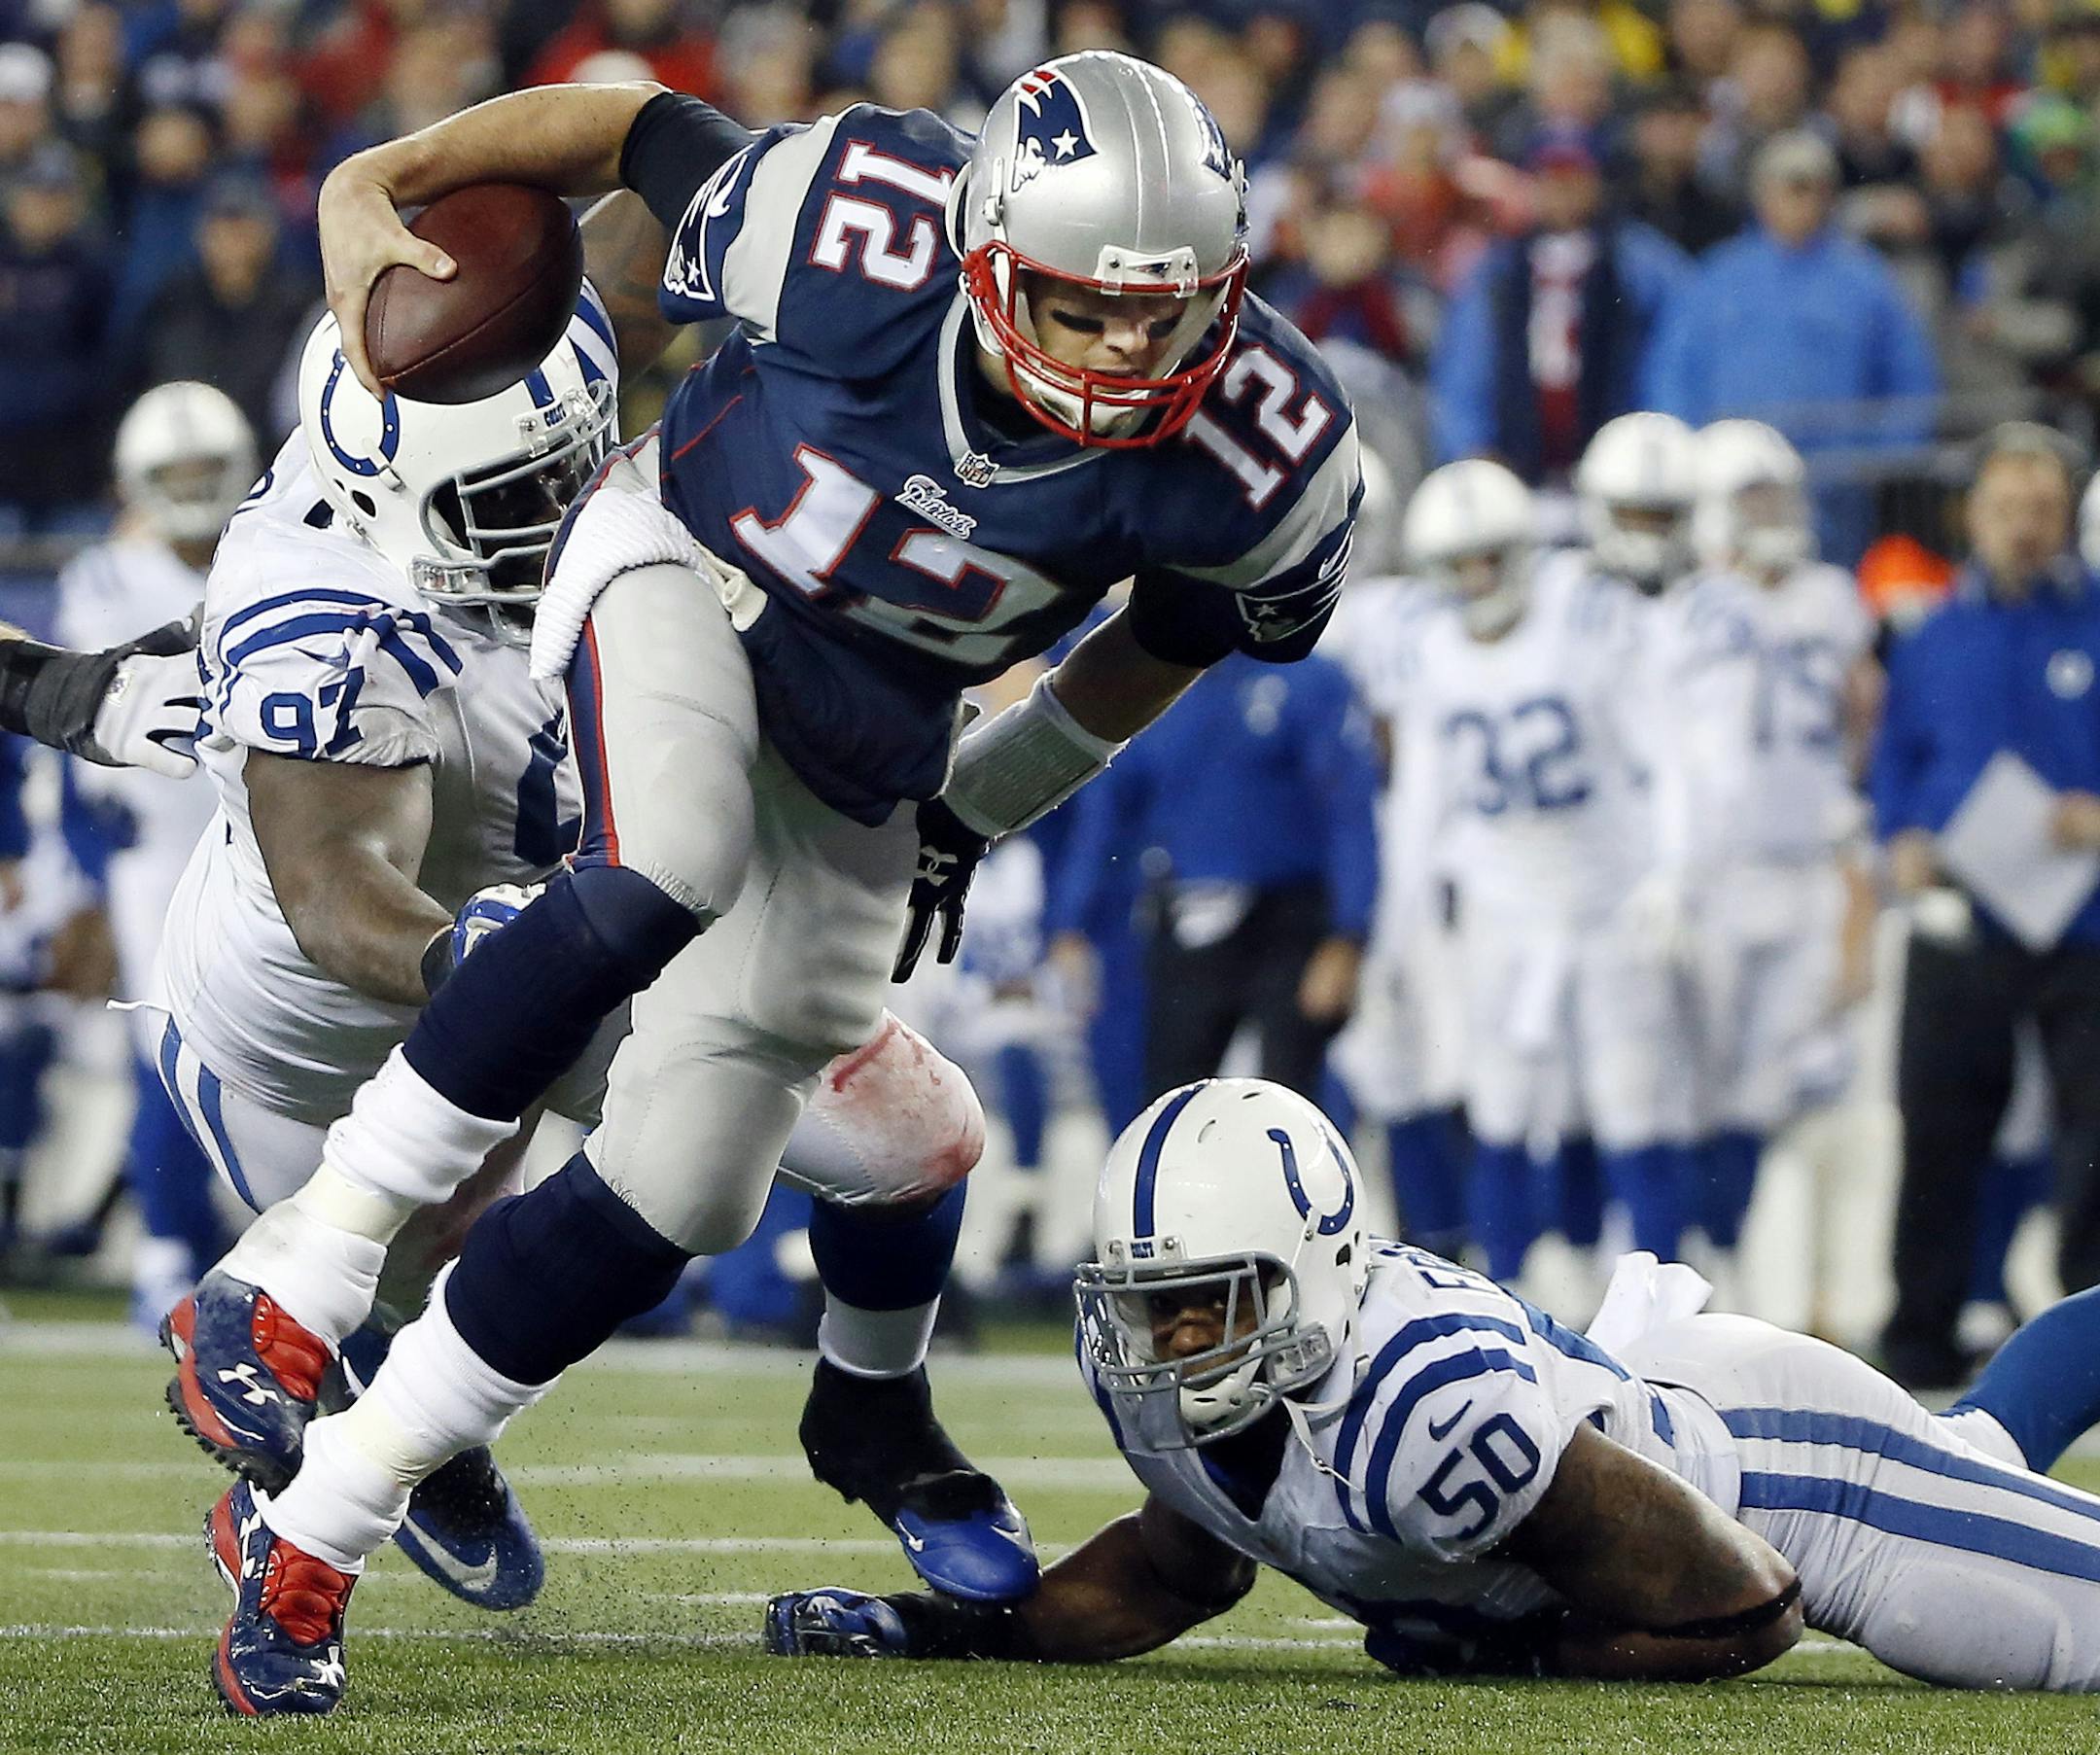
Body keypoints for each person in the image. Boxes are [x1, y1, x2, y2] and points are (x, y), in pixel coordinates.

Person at [171, 52, 1360, 1717]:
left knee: (695, 1175)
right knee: (669, 861)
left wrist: (982, 801)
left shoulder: (1266, 449)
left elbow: (1179, 628)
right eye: (1080, 308)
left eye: (1163, 317)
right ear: (986, 244)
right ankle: (299, 1272)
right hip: (683, 564)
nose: (1123, 353)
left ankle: (316, 1522)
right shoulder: (858, 219)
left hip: (861, 739)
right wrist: (378, 171)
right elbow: (625, 121)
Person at [158, 255, 1006, 1624]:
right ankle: (366, 1438)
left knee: (914, 1137)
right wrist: (474, 963)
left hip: (585, 923)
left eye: (576, 456)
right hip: (319, 1040)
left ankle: (875, 1410)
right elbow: (331, 883)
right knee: (403, 1281)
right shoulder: (318, 609)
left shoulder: (523, 397)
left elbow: (628, 212)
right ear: (397, 497)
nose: (565, 503)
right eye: (517, 492)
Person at [767, 1076, 2100, 1694]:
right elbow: (1184, 1567)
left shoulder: (1419, 1409)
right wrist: (951, 1630)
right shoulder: (1173, 1382)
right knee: (1980, 1437)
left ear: (1317, 1279)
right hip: (1651, 1426)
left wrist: (1512, 1650)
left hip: (1792, 1481)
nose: (1167, 1344)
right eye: (1149, 1305)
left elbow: (1747, 1606)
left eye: (1208, 1305)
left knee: (2020, 1633)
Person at [1393, 459, 1693, 1285]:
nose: (1476, 578)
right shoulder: (1431, 651)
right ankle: (1508, 1287)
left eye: (1490, 556)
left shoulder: (1586, 620)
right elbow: (1421, 807)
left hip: (1607, 897)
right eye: (1460, 563)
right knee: (1502, 1105)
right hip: (1504, 908)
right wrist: (1397, 932)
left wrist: (1669, 874)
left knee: (1630, 1101)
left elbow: (1663, 752)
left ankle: (1662, 1297)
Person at [1873, 423, 2100, 1389]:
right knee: (1939, 1121)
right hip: (1965, 913)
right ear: (1973, 514)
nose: (2024, 526)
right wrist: (1901, 841)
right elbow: (1894, 758)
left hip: (2086, 915)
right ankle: (1921, 1333)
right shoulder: (1936, 632)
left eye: (2042, 508)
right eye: (2007, 507)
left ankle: (2088, 1327)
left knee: (2094, 1131)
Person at [57, 381, 255, 1326]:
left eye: (203, 469)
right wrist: (81, 875)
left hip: (262, 835)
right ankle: (172, 1248)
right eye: (172, 472)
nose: (189, 486)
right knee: (161, 1045)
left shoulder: (269, 555)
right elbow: (69, 730)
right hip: (153, 842)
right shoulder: (104, 579)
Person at [1671, 419, 1879, 1275]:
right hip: (1711, 872)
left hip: (1804, 862)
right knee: (1691, 1087)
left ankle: (1743, 1261)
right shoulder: (1686, 604)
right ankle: (1685, 1257)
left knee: (1772, 1089)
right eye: (1752, 497)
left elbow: (1860, 715)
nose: (1773, 513)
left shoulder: (1831, 595)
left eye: (1778, 495)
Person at [1045, 644, 1380, 1101]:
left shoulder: (1309, 678)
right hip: (1187, 914)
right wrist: (1070, 922)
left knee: (1291, 1101)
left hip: (1290, 917)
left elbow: (1349, 812)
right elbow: (1105, 817)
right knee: (1171, 1101)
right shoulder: (1148, 683)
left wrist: (1348, 935)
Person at [1643, 129, 1940, 568]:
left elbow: (1910, 378)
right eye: (1788, 186)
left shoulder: (1865, 280)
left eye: (1812, 187)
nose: (1800, 200)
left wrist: (1882, 458)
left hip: (1836, 491)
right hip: (1731, 486)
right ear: (1761, 194)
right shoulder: (1715, 279)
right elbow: (1670, 373)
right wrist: (1691, 456)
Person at [1429, 127, 1688, 485]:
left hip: (1619, 467)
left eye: (1574, 178)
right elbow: (1464, 368)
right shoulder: (1496, 271)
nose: (1563, 190)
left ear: (1597, 182)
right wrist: (1473, 451)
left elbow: (1672, 360)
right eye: (1551, 178)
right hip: (1516, 471)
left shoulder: (1642, 264)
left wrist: (1652, 443)